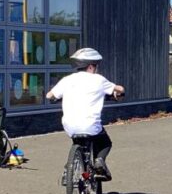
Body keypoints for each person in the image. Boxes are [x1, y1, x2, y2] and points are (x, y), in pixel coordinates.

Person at [46, 47, 124, 181]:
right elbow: (120, 89)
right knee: (105, 143)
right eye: (96, 66)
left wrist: (57, 97)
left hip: (69, 126)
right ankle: (99, 160)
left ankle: (68, 170)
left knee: (78, 141)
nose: (96, 69)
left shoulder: (67, 80)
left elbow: (49, 95)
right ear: (90, 66)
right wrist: (118, 92)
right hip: (90, 125)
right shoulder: (98, 79)